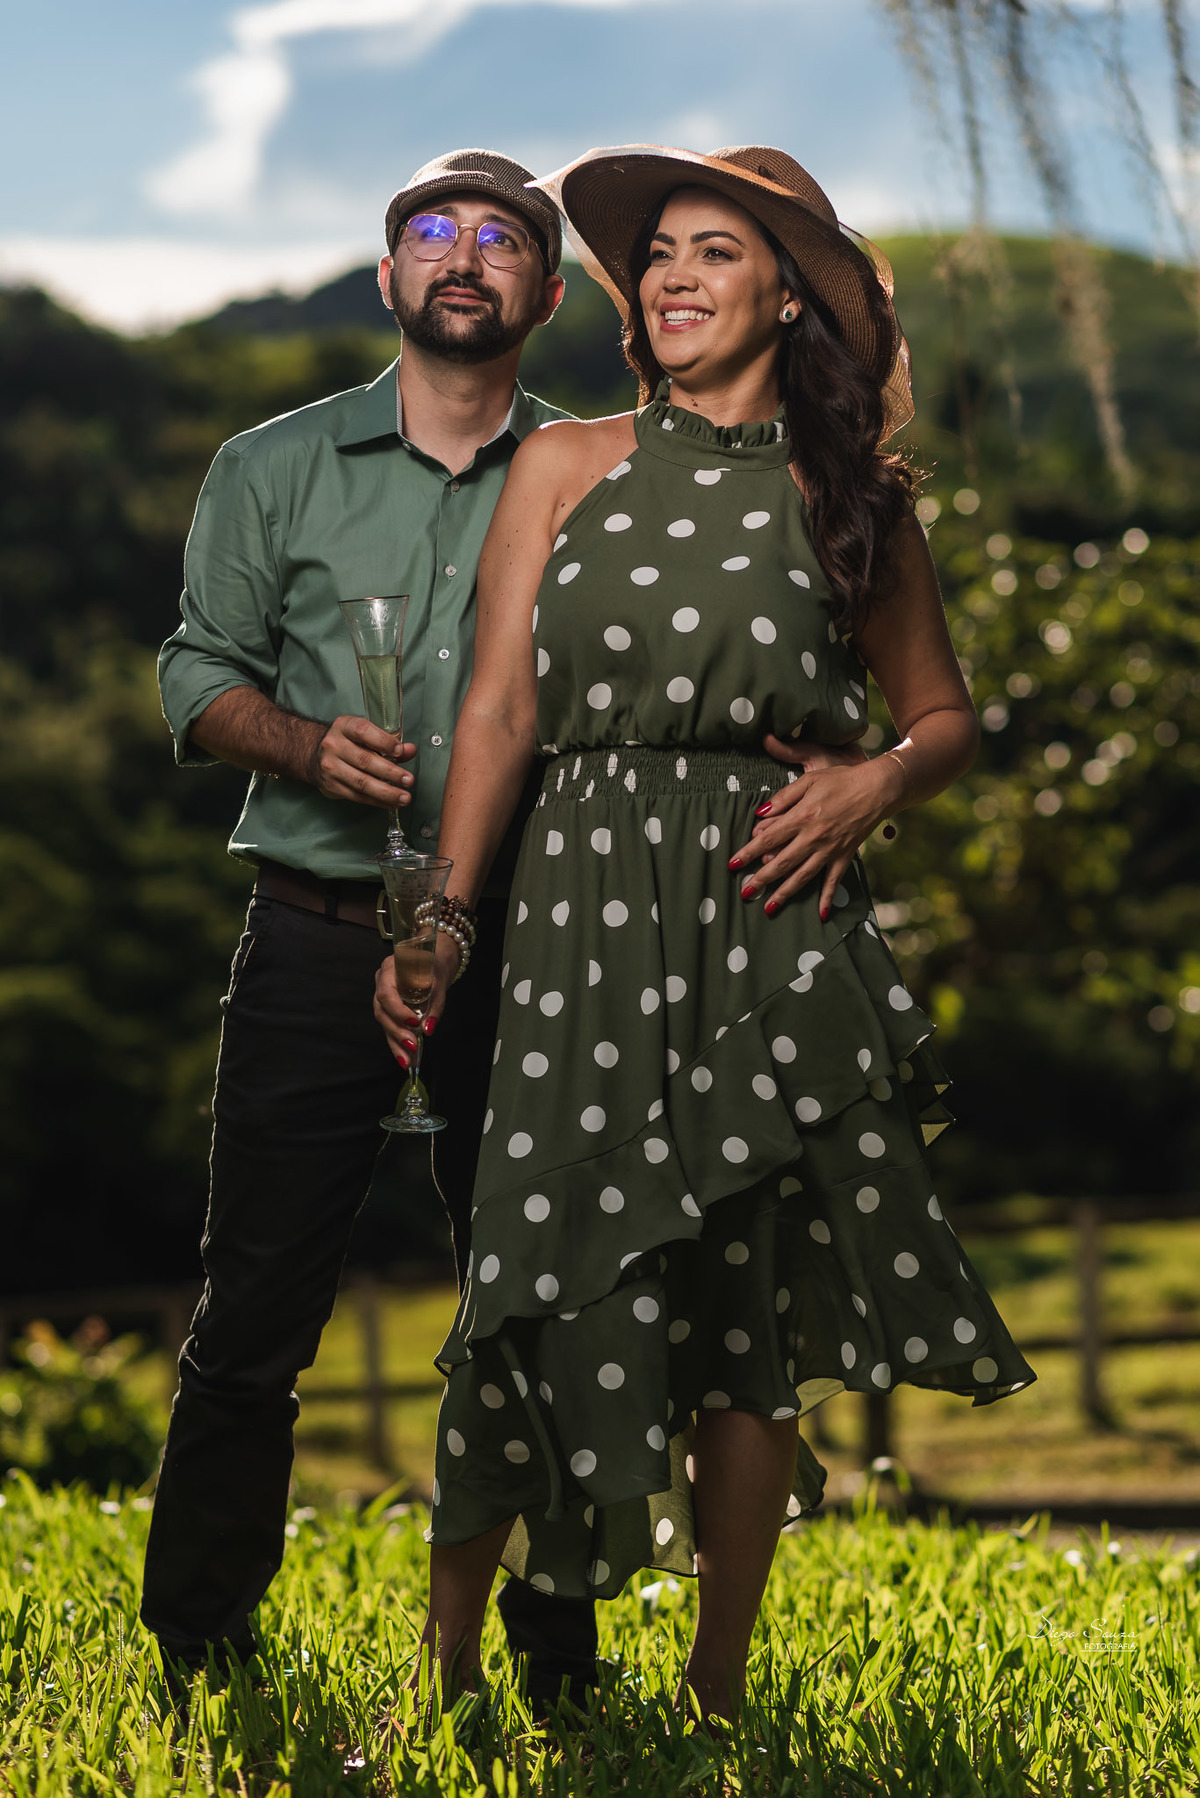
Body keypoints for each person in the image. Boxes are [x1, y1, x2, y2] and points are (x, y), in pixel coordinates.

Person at [374, 143, 1037, 1722]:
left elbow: (943, 716)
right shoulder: (567, 463)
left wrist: (873, 782)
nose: (671, 274)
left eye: (715, 252)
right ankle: (446, 1683)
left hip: (766, 912)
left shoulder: (849, 496)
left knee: (741, 1315)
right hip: (579, 918)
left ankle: (717, 1693)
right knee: (524, 1273)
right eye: (658, 251)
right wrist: (449, 919)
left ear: (786, 291)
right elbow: (500, 707)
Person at [140, 148, 606, 1707]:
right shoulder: (269, 464)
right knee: (256, 1304)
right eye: (432, 233)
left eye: (500, 239)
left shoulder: (596, 472)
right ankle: (199, 1642)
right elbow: (194, 675)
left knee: (539, 1295)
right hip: (318, 928)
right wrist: (300, 744)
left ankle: (555, 1653)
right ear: (390, 272)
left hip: (528, 942)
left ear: (545, 292)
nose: (463, 257)